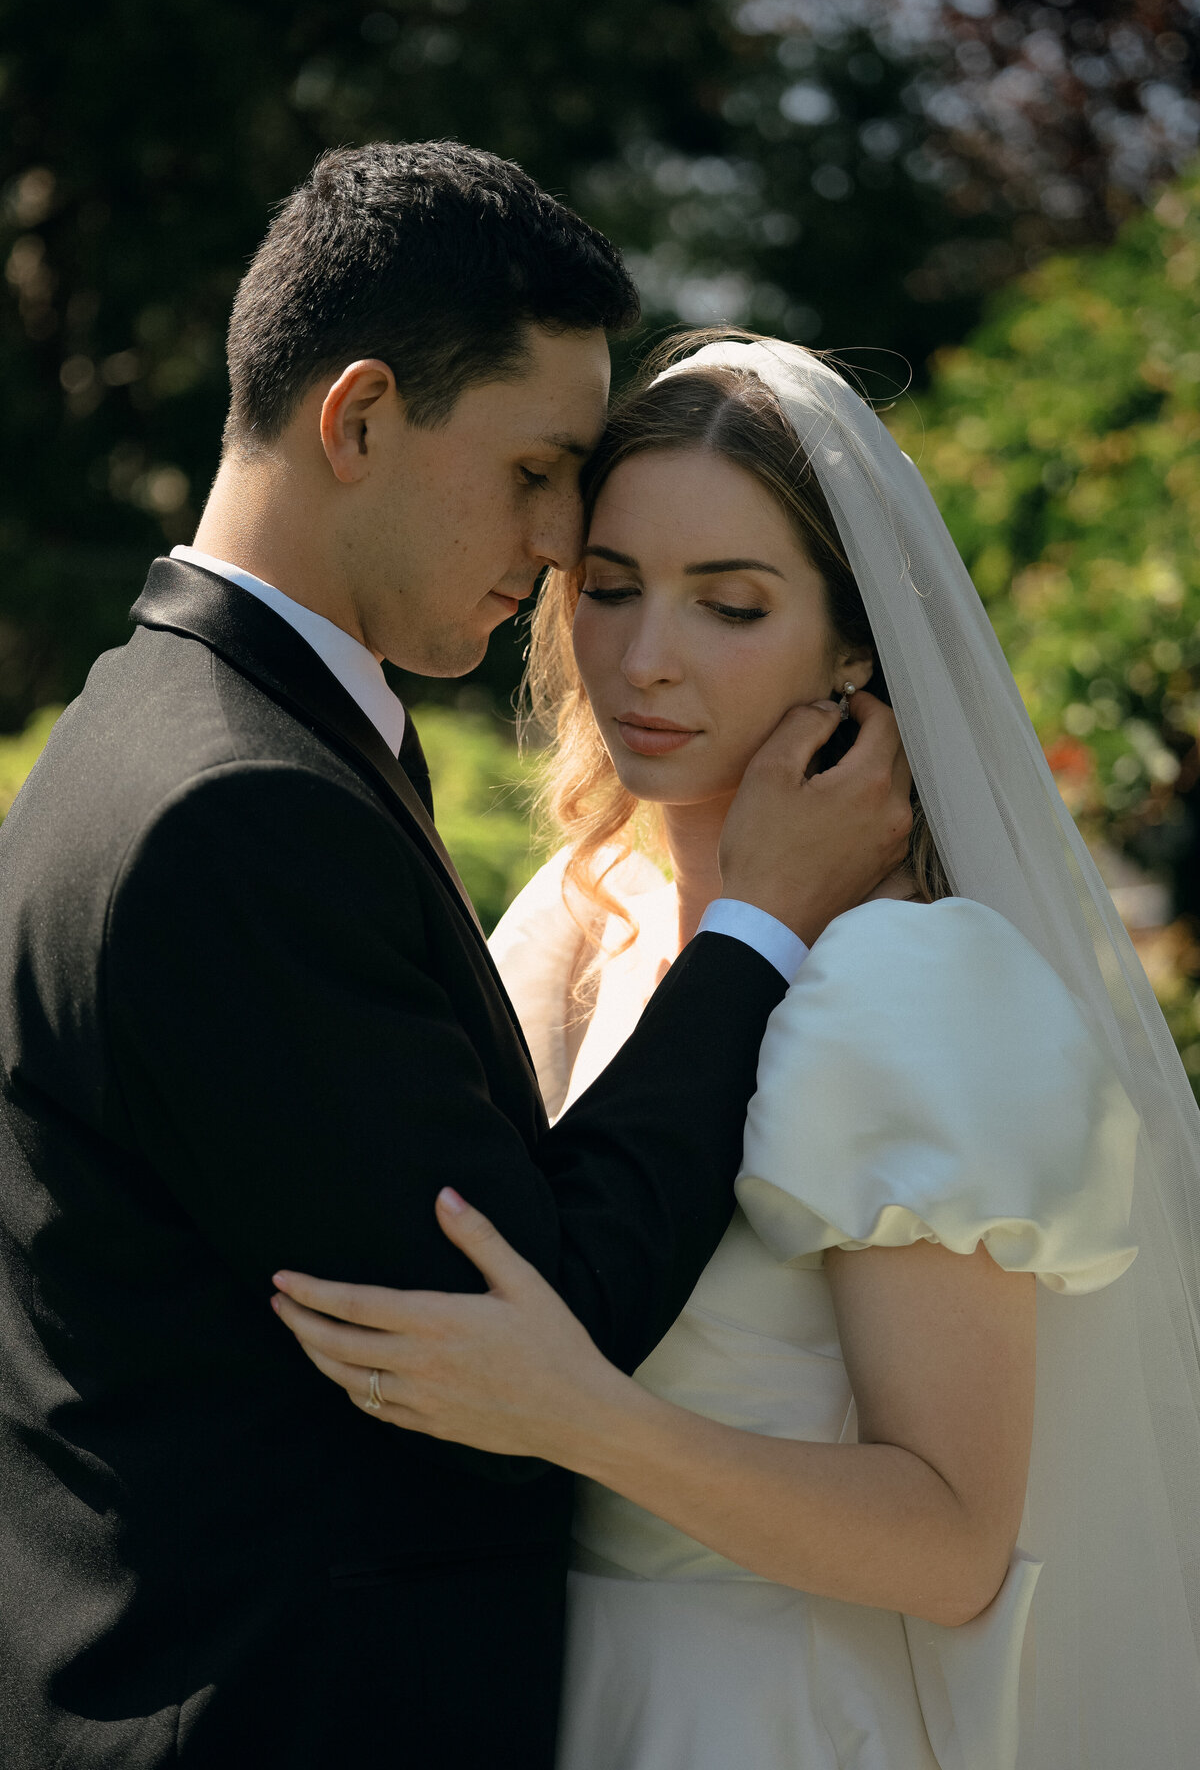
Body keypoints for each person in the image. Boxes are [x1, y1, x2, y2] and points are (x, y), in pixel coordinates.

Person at [0, 161, 912, 1769]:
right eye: (538, 471)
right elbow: (526, 1323)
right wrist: (761, 924)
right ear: (358, 420)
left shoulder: (151, 730)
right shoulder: (239, 810)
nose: (567, 543)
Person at [275, 335, 1200, 1770]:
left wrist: (584, 1420)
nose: (648, 658)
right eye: (613, 587)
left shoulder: (908, 984)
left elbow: (955, 1540)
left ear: (849, 646)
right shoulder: (574, 913)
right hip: (528, 1698)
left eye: (732, 606)